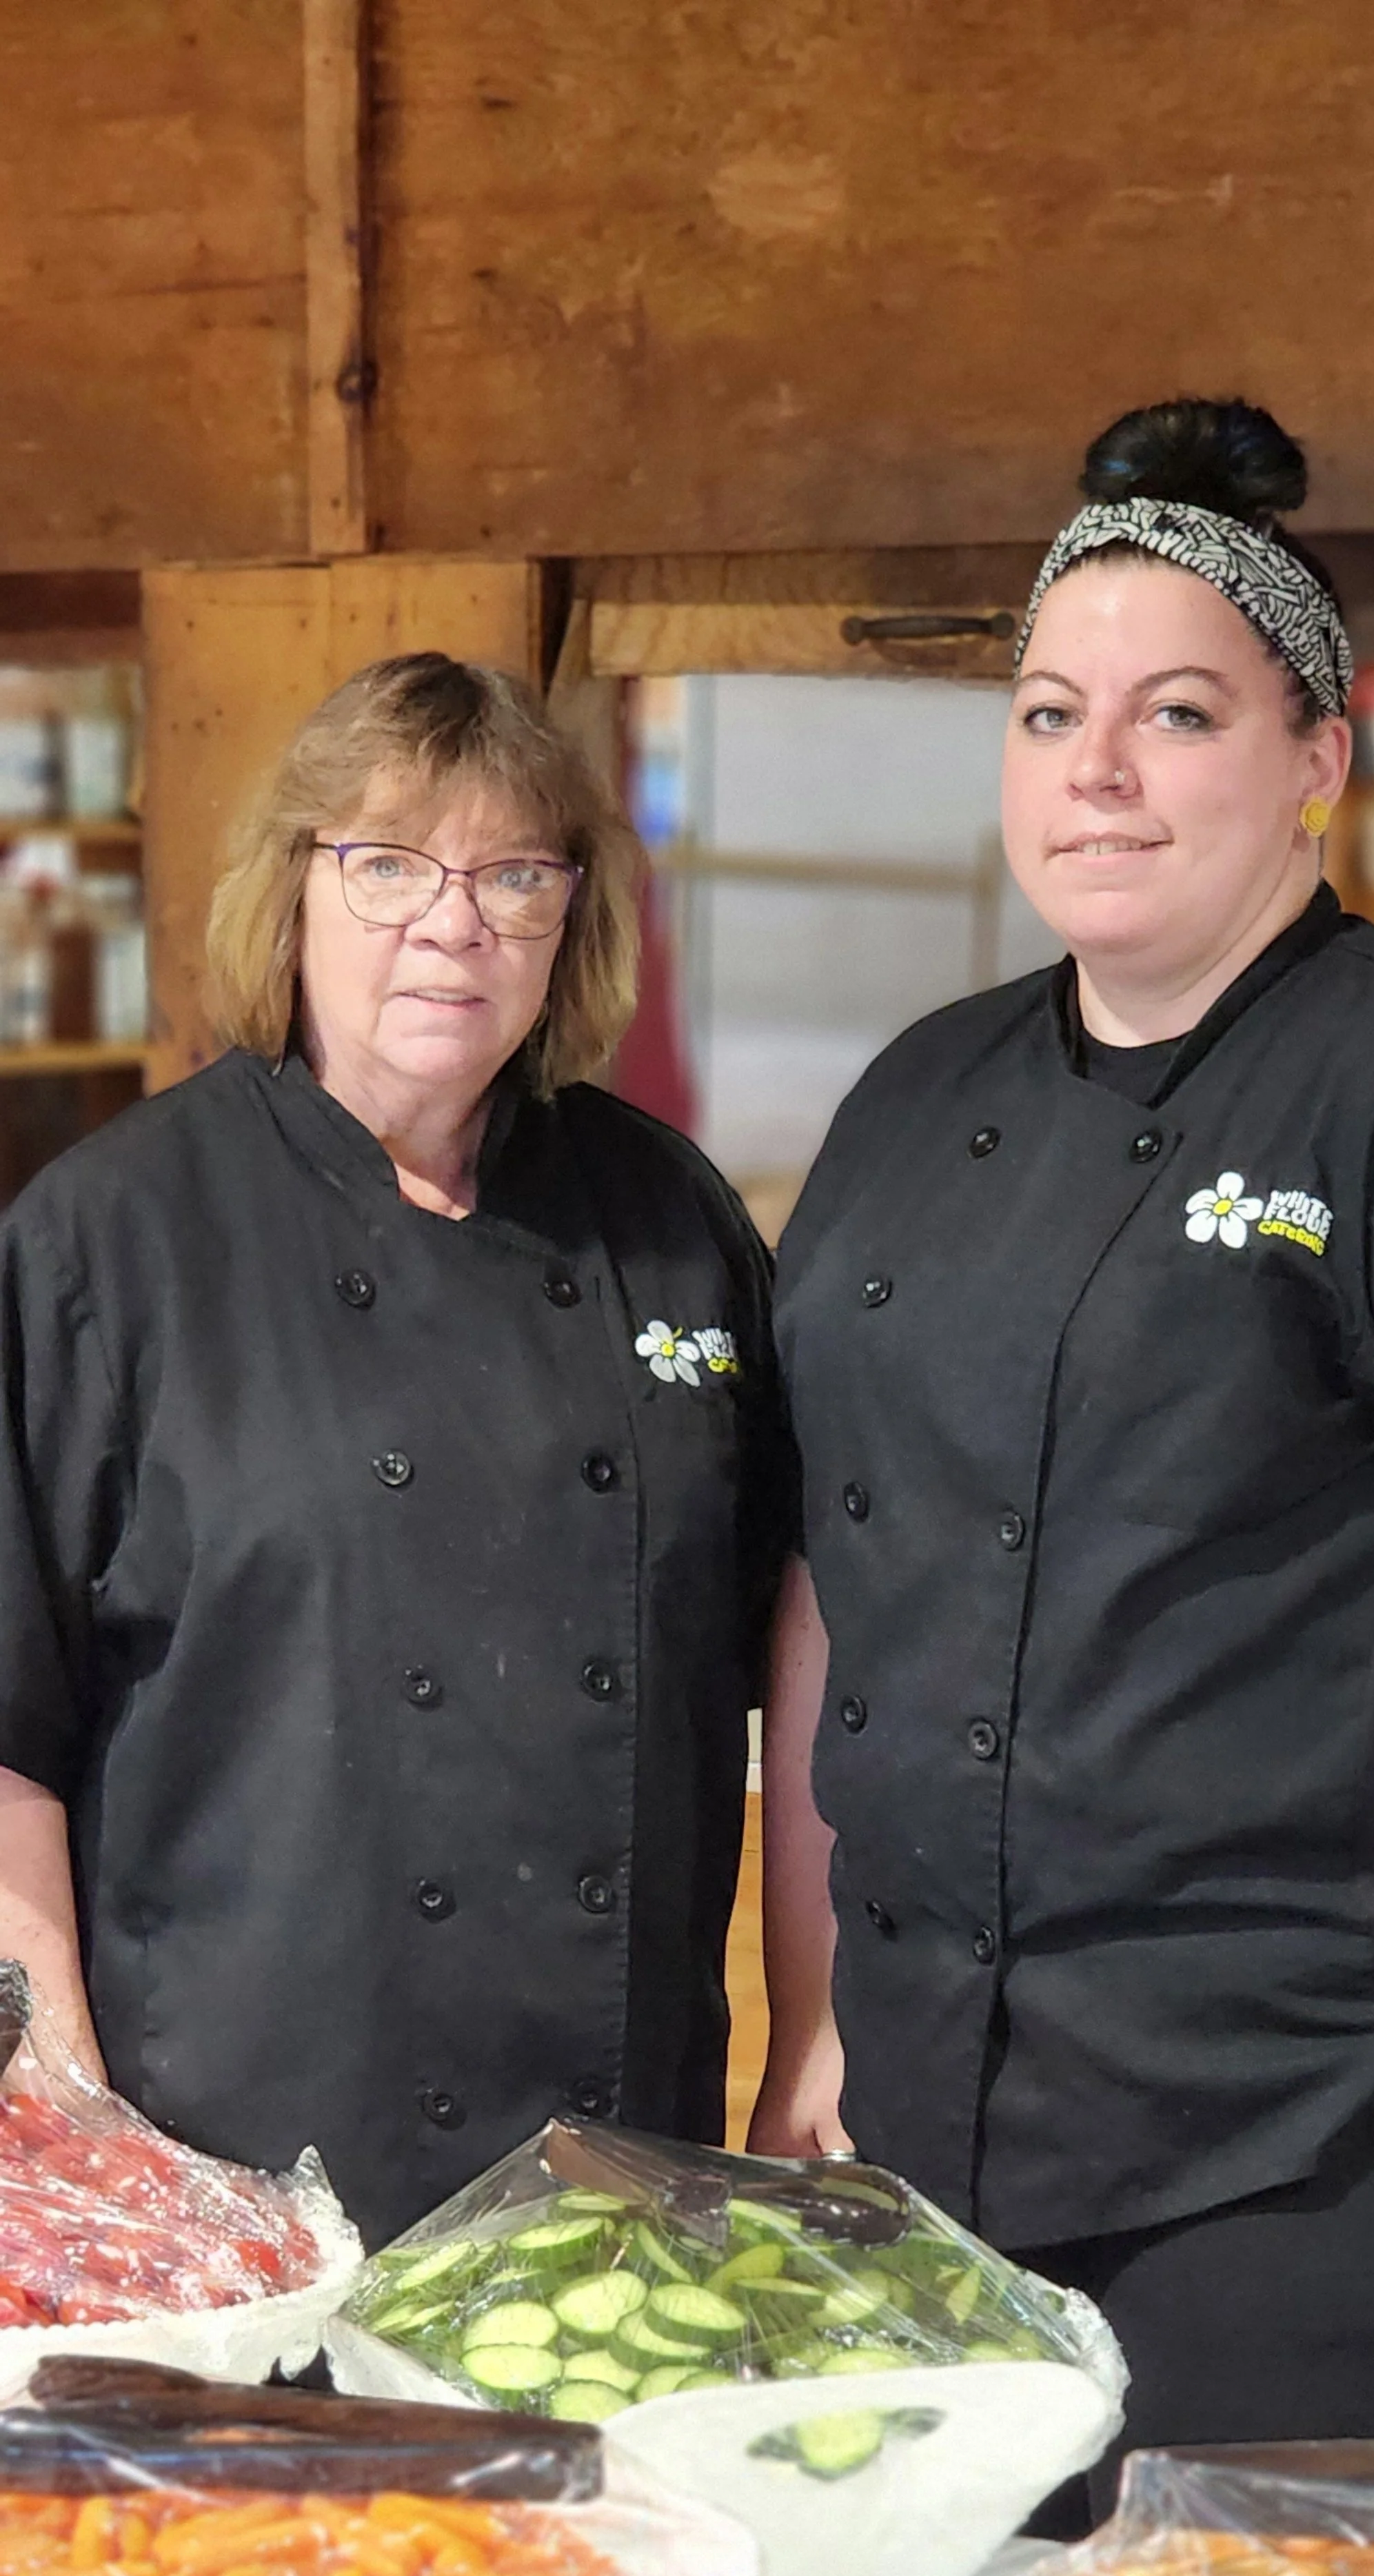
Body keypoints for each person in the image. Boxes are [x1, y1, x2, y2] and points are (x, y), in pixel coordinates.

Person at [751, 396, 1374, 2489]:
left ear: (1312, 765)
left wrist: (1370, 1770)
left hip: (1327, 2111)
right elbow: (854, 1576)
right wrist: (828, 2009)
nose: (1093, 770)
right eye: (1045, 712)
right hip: (947, 2099)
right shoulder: (919, 1099)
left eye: (1175, 713)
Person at [0, 651, 792, 2246]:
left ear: (571, 916)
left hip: (609, 2145)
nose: (454, 924)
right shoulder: (112, 1239)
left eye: (513, 874)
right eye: (386, 868)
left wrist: (819, 2025)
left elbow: (801, 1636)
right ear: (291, 891)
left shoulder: (670, 1220)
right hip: (225, 2147)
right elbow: (9, 1716)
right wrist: (58, 2099)